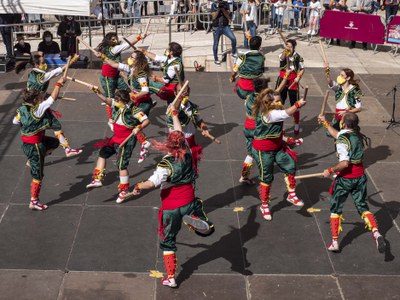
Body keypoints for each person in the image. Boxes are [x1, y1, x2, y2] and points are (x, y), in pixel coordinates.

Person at [129, 103, 214, 288]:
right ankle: (202, 225)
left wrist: (137, 185)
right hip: (189, 199)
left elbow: (152, 183)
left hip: (171, 206)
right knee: (196, 209)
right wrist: (175, 113)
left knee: (168, 240)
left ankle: (171, 277)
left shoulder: (165, 164)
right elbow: (179, 131)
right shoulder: (189, 153)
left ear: (168, 144)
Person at [318, 112, 386, 253]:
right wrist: (325, 123)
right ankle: (376, 233)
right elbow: (338, 134)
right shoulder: (356, 135)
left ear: (343, 123)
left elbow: (344, 163)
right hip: (360, 177)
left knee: (336, 208)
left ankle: (335, 242)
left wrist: (330, 170)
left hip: (346, 179)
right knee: (362, 206)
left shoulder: (343, 139)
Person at [86, 88, 150, 203]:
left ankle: (123, 191)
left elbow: (146, 121)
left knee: (122, 165)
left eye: (117, 99)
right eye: (115, 99)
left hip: (127, 140)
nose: (115, 101)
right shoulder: (116, 105)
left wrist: (138, 128)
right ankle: (98, 179)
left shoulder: (134, 110)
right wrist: (97, 92)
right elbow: (106, 99)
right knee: (102, 153)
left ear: (124, 100)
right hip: (116, 137)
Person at [251, 88, 306, 221]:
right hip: (263, 150)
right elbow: (287, 113)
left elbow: (277, 132)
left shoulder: (272, 110)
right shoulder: (269, 114)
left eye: (280, 100)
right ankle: (264, 205)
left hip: (276, 146)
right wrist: (298, 104)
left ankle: (291, 194)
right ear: (269, 103)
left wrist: (289, 140)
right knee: (267, 178)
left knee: (290, 164)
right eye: (277, 101)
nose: (280, 103)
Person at [12, 77, 66, 211]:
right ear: (35, 100)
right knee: (38, 175)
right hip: (35, 146)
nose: (41, 99)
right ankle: (34, 201)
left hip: (27, 143)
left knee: (54, 142)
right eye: (39, 98)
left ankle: (33, 159)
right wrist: (59, 84)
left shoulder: (22, 109)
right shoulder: (38, 109)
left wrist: (28, 125)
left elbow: (15, 122)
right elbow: (52, 98)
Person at [100, 49, 153, 163]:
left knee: (132, 123)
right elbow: (114, 64)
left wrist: (132, 97)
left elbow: (145, 90)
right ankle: (143, 143)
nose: (130, 58)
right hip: (136, 99)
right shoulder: (131, 68)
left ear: (137, 61)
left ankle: (144, 143)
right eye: (131, 56)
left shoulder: (140, 74)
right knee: (129, 120)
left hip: (142, 101)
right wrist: (103, 56)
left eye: (133, 57)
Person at [26, 54, 82, 157]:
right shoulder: (42, 77)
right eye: (43, 63)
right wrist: (72, 60)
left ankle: (35, 157)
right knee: (55, 125)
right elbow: (58, 71)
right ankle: (66, 149)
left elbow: (33, 90)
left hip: (31, 107)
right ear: (36, 64)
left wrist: (43, 94)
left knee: (41, 133)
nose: (45, 64)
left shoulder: (32, 74)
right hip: (39, 108)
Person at [96, 32, 133, 131]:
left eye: (116, 38)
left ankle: (131, 107)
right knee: (110, 99)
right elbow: (127, 45)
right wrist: (138, 37)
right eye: (112, 39)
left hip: (116, 75)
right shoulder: (113, 49)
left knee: (126, 91)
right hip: (108, 78)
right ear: (108, 40)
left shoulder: (110, 48)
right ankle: (111, 120)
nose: (115, 40)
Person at [275, 39, 305, 135]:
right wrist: (285, 52)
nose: (288, 48)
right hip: (282, 79)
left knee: (294, 103)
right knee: (279, 102)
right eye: (286, 46)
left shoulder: (298, 57)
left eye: (290, 47)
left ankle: (296, 124)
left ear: (294, 47)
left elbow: (302, 69)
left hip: (293, 80)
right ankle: (279, 126)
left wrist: (298, 77)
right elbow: (282, 58)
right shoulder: (282, 54)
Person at [324, 64, 362, 131]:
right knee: (334, 134)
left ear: (348, 78)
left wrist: (346, 112)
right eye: (339, 75)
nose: (339, 77)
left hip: (348, 120)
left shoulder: (354, 90)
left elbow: (358, 109)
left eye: (342, 75)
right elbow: (330, 82)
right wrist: (327, 71)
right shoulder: (339, 87)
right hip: (337, 117)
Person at [230, 36, 265, 100]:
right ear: (259, 46)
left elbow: (234, 71)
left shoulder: (242, 57)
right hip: (255, 89)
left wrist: (232, 77)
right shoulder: (262, 57)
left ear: (249, 45)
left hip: (242, 91)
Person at [210, 0, 237, 65]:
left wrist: (223, 9)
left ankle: (233, 52)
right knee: (216, 44)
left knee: (233, 39)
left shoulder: (225, 4)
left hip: (225, 26)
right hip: (216, 27)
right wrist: (218, 9)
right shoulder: (213, 4)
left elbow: (228, 16)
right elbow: (213, 17)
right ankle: (216, 59)